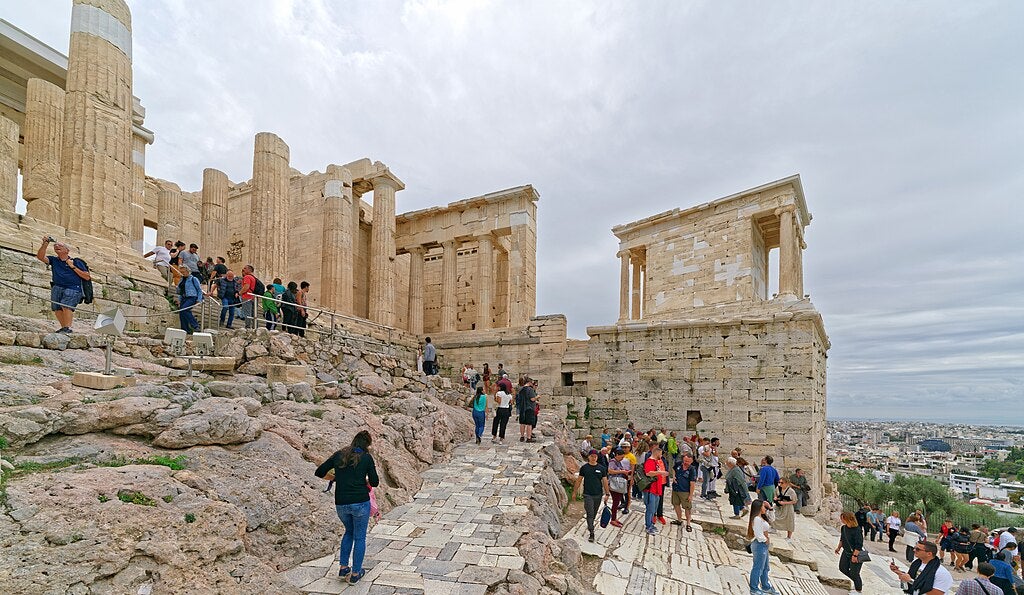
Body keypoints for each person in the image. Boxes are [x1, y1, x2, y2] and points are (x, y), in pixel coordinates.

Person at [314, 430, 380, 585]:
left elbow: (319, 472)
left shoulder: (339, 455)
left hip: (341, 503)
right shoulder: (366, 458)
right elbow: (375, 482)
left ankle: (344, 568)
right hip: (360, 502)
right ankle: (356, 573)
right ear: (367, 444)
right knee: (360, 537)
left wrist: (336, 478)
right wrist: (365, 481)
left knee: (349, 532)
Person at [36, 238, 91, 334]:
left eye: (60, 245)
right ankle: (64, 328)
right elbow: (40, 257)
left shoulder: (76, 262)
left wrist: (72, 266)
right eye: (55, 246)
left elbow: (87, 277)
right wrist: (45, 244)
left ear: (67, 250)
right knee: (57, 308)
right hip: (57, 287)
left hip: (73, 287)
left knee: (66, 306)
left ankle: (67, 328)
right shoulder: (54, 260)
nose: (57, 246)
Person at [573, 449, 610, 543]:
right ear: (589, 457)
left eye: (595, 456)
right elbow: (579, 480)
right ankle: (591, 532)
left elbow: (605, 481)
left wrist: (607, 493)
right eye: (592, 456)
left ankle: (590, 525)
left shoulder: (601, 468)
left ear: (597, 457)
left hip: (598, 494)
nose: (593, 458)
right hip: (587, 494)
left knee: (593, 514)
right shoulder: (584, 468)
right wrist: (574, 492)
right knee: (590, 513)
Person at [748, 499, 779, 595]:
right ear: (758, 508)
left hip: (763, 545)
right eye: (763, 506)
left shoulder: (761, 517)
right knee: (758, 567)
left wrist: (770, 508)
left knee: (765, 567)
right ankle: (754, 588)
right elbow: (758, 534)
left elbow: (772, 519)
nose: (764, 508)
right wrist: (766, 540)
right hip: (759, 544)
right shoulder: (756, 519)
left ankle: (765, 586)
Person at [641, 443, 669, 536]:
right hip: (651, 489)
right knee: (650, 508)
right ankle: (648, 526)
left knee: (654, 508)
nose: (661, 456)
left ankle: (651, 524)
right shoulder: (650, 461)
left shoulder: (656, 462)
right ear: (657, 453)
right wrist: (660, 472)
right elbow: (648, 473)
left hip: (657, 488)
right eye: (660, 454)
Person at [836, 511, 865, 593]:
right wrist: (838, 548)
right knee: (842, 568)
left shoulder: (857, 530)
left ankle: (858, 590)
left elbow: (859, 545)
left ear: (847, 519)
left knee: (854, 574)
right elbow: (842, 539)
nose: (841, 520)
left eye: (842, 518)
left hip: (856, 554)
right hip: (846, 552)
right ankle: (857, 582)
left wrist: (855, 556)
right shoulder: (843, 528)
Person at [671, 452, 698, 531]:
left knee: (687, 508)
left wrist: (691, 495)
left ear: (691, 461)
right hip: (676, 488)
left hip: (685, 491)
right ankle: (679, 520)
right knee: (676, 504)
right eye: (685, 461)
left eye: (688, 461)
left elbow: (692, 483)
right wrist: (673, 476)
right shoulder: (679, 464)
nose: (685, 463)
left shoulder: (692, 469)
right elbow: (673, 469)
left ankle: (688, 523)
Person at [607, 449, 631, 528]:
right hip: (614, 484)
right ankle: (613, 519)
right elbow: (610, 471)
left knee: (617, 501)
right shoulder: (612, 462)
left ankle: (614, 517)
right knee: (615, 502)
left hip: (619, 484)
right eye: (621, 457)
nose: (622, 459)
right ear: (617, 455)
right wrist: (622, 472)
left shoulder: (618, 462)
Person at [176, 267, 203, 334]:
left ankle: (195, 325)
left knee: (184, 309)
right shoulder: (182, 280)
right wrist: (179, 299)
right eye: (181, 272)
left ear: (188, 271)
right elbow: (181, 291)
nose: (182, 273)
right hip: (184, 298)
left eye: (183, 272)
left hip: (192, 297)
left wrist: (199, 299)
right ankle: (185, 330)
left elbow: (199, 290)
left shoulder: (193, 279)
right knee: (182, 313)